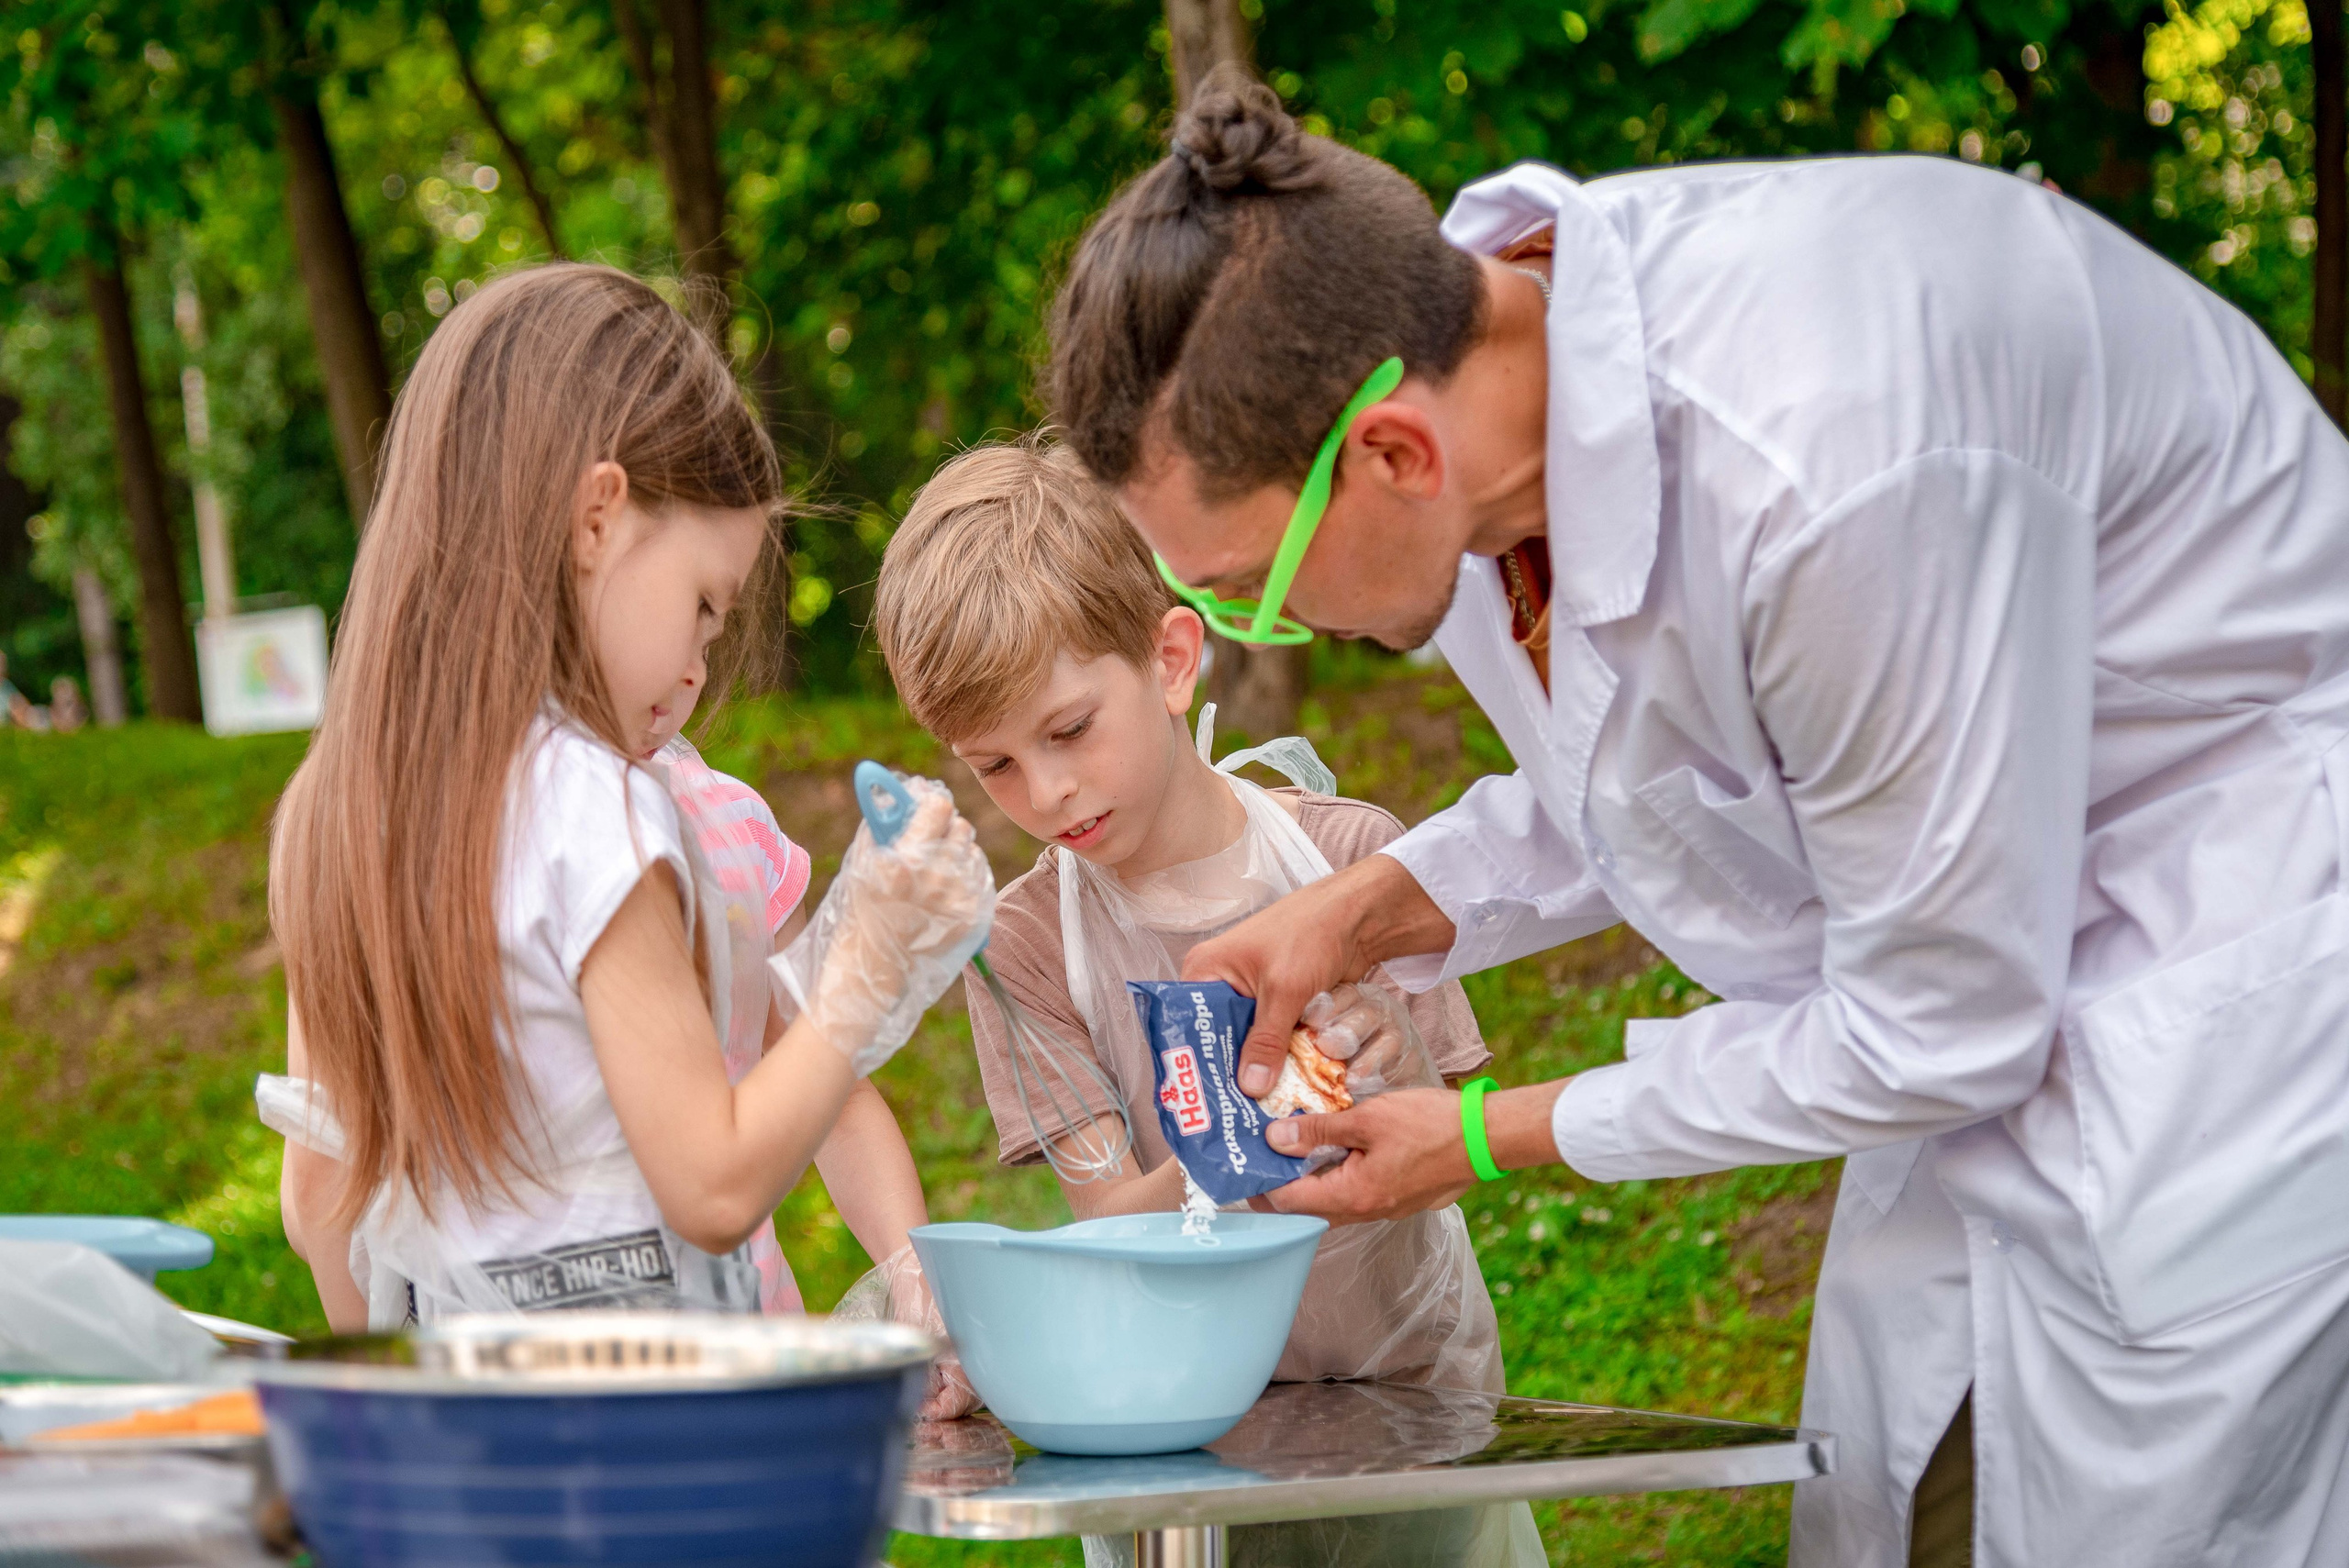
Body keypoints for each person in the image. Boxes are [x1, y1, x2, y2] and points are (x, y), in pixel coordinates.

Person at [1041, 65, 2349, 1568]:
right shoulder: (1488, 400)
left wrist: (1481, 1134)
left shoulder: (1824, 469)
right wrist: (1361, 906)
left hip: (2230, 983)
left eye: (1245, 585)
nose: (1254, 625)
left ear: (1391, 454)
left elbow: (1938, 1023)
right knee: (1914, 1500)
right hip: (2005, 985)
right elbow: (1658, 773)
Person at [259, 267, 994, 1423]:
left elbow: (322, 1197)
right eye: (702, 602)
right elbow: (714, 1183)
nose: (700, 656)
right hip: (661, 1455)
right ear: (597, 519)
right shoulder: (592, 804)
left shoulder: (339, 811)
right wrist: (874, 959)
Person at [873, 439, 1545, 1568]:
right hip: (1179, 1434)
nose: (1048, 792)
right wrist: (1248, 1135)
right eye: (994, 765)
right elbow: (1112, 1225)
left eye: (1069, 729)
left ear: (1171, 657)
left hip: (1417, 1397)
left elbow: (1453, 1153)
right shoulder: (1027, 945)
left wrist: (1399, 1067)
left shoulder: (1353, 863)